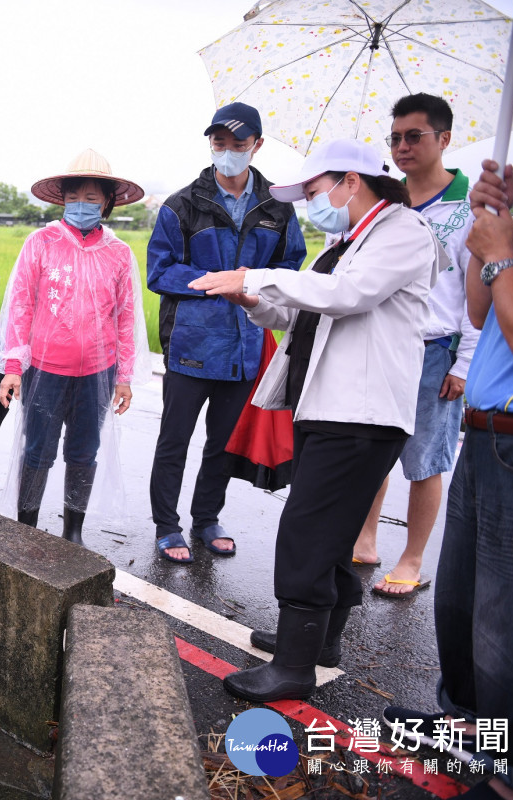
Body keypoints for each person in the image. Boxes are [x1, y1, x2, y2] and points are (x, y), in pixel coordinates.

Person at [190, 138, 442, 702]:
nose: (310, 200)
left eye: (314, 189)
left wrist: (255, 276)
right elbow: (305, 310)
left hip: (361, 412)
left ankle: (293, 668)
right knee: (327, 532)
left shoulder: (402, 231)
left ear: (350, 181)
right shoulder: (346, 241)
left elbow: (349, 295)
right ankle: (317, 642)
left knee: (306, 532)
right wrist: (252, 300)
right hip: (326, 405)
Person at [380, 140, 513, 799]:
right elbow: (478, 310)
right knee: (463, 599)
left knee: (507, 617)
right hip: (487, 430)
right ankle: (468, 723)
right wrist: (487, 235)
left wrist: (499, 253)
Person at [146, 102, 306, 563]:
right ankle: (166, 524)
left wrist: (254, 281)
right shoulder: (181, 205)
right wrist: (217, 282)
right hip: (191, 344)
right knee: (174, 440)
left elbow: (292, 264)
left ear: (256, 146)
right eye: (221, 143)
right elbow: (159, 272)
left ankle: (206, 518)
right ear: (210, 145)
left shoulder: (278, 205)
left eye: (239, 144)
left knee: (222, 441)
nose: (229, 152)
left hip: (247, 343)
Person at [352, 93, 478, 599]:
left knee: (425, 459)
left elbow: (477, 293)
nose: (402, 147)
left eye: (414, 136)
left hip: (436, 349)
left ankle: (412, 557)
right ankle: (365, 537)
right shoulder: (385, 202)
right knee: (371, 448)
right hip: (382, 342)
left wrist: (465, 362)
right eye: (395, 138)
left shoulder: (469, 209)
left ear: (444, 139)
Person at [0, 150, 150, 546]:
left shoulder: (118, 254)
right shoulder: (41, 243)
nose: (83, 205)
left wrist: (124, 377)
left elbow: (127, 317)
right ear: (62, 199)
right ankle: (26, 524)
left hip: (98, 372)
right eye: (75, 197)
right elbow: (20, 307)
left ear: (108, 203)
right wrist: (14, 365)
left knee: (83, 452)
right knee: (38, 450)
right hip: (45, 368)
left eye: (92, 199)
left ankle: (73, 531)